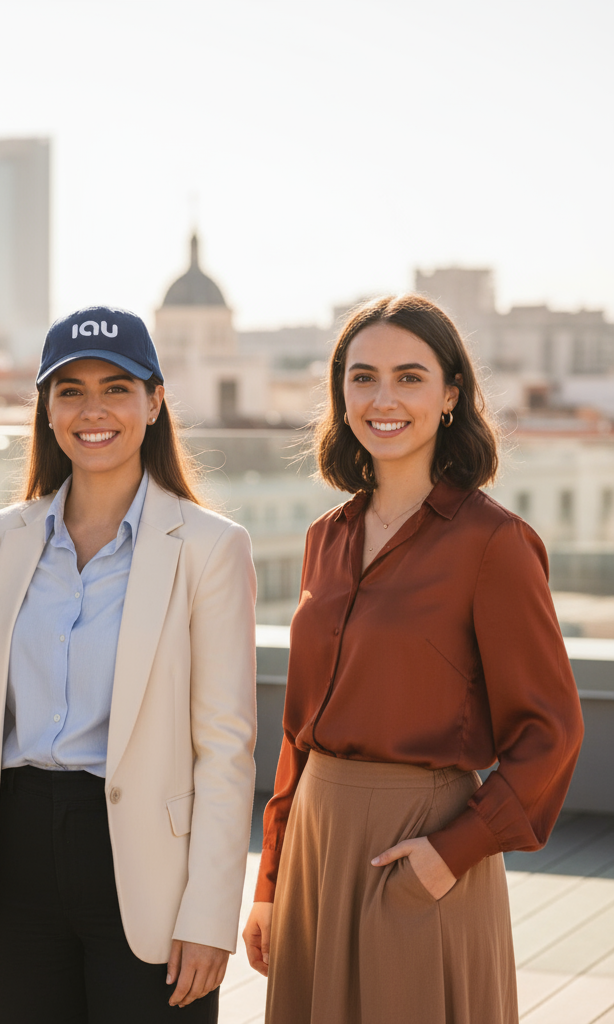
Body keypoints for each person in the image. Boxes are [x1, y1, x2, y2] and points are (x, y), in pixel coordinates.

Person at [241, 294, 585, 1023]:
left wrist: (451, 853)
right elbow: (298, 732)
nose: (383, 398)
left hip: (420, 846)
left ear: (451, 394)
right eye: (362, 378)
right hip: (315, 843)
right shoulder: (325, 538)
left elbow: (551, 731)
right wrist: (270, 879)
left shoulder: (493, 544)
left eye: (409, 377)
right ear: (340, 393)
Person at [0, 306, 257, 1022]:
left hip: (147, 871)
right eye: (69, 390)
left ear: (155, 401)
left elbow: (227, 750)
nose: (93, 409)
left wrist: (209, 913)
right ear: (45, 409)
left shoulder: (209, 548)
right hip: (14, 859)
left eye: (117, 387)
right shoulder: (2, 540)